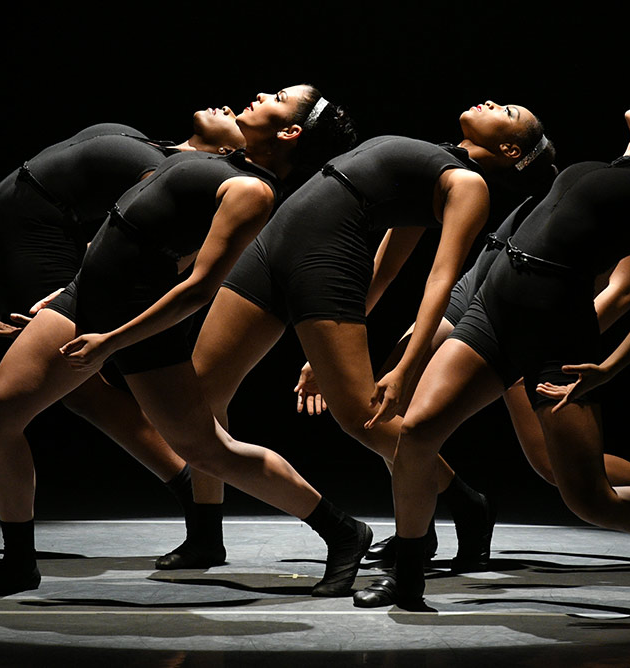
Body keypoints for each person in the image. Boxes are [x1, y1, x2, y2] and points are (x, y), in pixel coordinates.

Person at [0, 85, 369, 599]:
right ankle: (18, 562)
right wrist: (61, 299)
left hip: (133, 319)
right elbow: (126, 241)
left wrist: (112, 342)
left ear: (291, 132)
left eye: (279, 96)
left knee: (206, 448)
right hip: (85, 302)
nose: (261, 93)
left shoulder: (252, 192)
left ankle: (344, 531)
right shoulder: (217, 160)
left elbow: (196, 288)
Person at [358, 96, 630, 613]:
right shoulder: (618, 164)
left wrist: (610, 366)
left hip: (558, 338)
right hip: (493, 315)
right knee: (416, 435)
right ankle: (409, 579)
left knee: (586, 496)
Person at [185, 101, 555, 570]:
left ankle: (456, 506)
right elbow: (385, 266)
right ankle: (203, 535)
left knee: (363, 416)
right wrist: (321, 351)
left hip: (324, 258)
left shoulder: (468, 185)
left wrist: (405, 368)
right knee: (201, 390)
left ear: (509, 146)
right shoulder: (433, 160)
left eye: (506, 110)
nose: (490, 103)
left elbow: (437, 281)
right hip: (278, 242)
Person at [0, 109, 247, 558]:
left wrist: (64, 302)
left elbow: (139, 245)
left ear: (228, 152)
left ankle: (192, 492)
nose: (230, 107)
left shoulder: (175, 175)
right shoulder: (153, 144)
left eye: (240, 116)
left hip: (38, 240)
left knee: (81, 388)